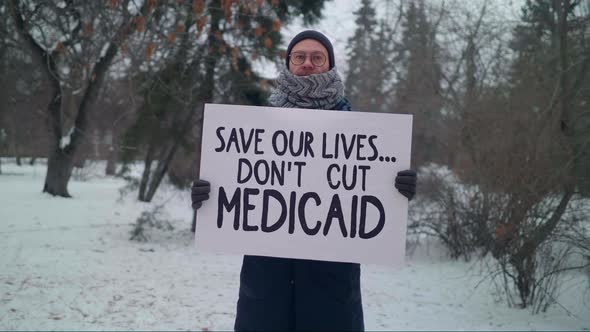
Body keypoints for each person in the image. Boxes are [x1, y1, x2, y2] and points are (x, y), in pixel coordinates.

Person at [191, 30, 417, 331]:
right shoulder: (257, 127)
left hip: (331, 289)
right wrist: (208, 193)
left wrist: (398, 186)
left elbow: (369, 194)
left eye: (317, 57)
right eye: (299, 57)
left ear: (330, 65)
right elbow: (238, 187)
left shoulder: (358, 131)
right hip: (265, 287)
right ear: (288, 64)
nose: (307, 63)